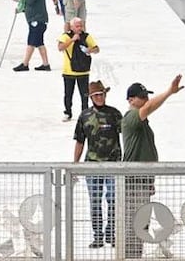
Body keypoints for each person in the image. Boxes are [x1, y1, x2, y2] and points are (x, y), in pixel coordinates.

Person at [122, 76, 184, 259]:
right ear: (131, 100)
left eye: (145, 95)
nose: (146, 99)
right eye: (141, 97)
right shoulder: (131, 117)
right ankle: (131, 256)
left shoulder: (141, 121)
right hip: (135, 179)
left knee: (142, 221)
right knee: (136, 222)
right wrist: (168, 92)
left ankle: (135, 254)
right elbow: (148, 108)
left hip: (143, 179)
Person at [72, 81, 123, 248]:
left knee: (113, 199)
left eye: (101, 94)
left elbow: (127, 134)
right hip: (92, 165)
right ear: (91, 98)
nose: (99, 98)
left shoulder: (115, 114)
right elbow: (80, 141)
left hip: (113, 164)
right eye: (96, 96)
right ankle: (98, 236)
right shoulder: (84, 116)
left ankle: (110, 233)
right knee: (95, 201)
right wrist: (76, 164)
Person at [58, 17, 100, 121]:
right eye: (77, 26)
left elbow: (97, 49)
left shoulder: (86, 36)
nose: (80, 28)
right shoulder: (66, 36)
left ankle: (84, 113)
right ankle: (68, 112)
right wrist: (72, 40)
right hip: (69, 71)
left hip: (83, 70)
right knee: (68, 94)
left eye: (81, 25)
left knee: (84, 94)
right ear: (71, 27)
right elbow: (60, 47)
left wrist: (90, 50)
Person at [13, 0, 51, 72]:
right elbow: (30, 6)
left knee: (31, 42)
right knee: (39, 43)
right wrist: (21, 9)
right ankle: (45, 63)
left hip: (38, 20)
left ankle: (25, 63)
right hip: (34, 19)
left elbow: (30, 0)